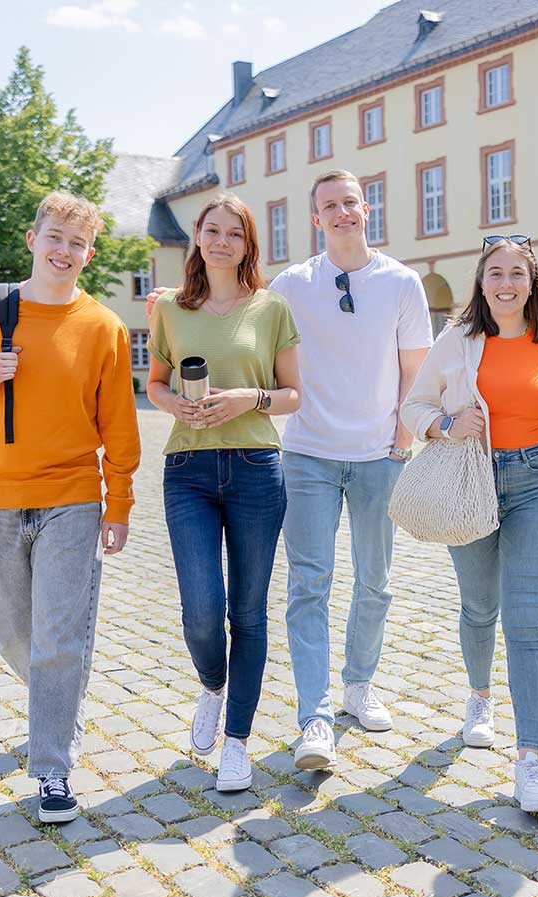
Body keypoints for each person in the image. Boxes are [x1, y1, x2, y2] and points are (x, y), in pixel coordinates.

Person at [0, 190, 141, 824]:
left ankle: (52, 767)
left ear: (89, 253)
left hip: (73, 498)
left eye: (77, 243)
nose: (65, 251)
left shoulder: (104, 326)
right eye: (55, 237)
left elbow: (120, 424)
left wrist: (120, 504)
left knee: (59, 637)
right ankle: (55, 701)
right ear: (34, 240)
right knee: (14, 633)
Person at [401, 235, 538, 813]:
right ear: (481, 283)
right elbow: (414, 406)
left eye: (516, 273)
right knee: (479, 606)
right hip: (471, 480)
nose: (505, 283)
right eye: (495, 274)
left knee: (527, 622)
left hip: (537, 478)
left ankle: (531, 760)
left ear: (532, 283)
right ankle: (479, 697)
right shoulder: (457, 340)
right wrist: (443, 424)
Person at [272, 170, 432, 769]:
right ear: (316, 219)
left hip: (378, 457)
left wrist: (400, 439)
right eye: (329, 206)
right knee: (307, 585)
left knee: (376, 581)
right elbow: (244, 334)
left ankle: (358, 687)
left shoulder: (401, 283)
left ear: (367, 209)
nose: (341, 213)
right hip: (308, 454)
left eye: (350, 203)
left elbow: (414, 368)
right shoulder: (291, 284)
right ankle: (314, 717)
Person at [146, 194, 301, 792]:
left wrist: (248, 398)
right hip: (187, 468)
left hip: (257, 467)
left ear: (247, 243)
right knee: (202, 609)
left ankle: (237, 742)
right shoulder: (170, 310)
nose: (220, 241)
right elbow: (154, 385)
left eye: (233, 233)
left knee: (250, 612)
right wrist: (174, 403)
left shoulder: (272, 309)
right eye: (211, 231)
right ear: (198, 240)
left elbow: (292, 395)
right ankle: (213, 682)